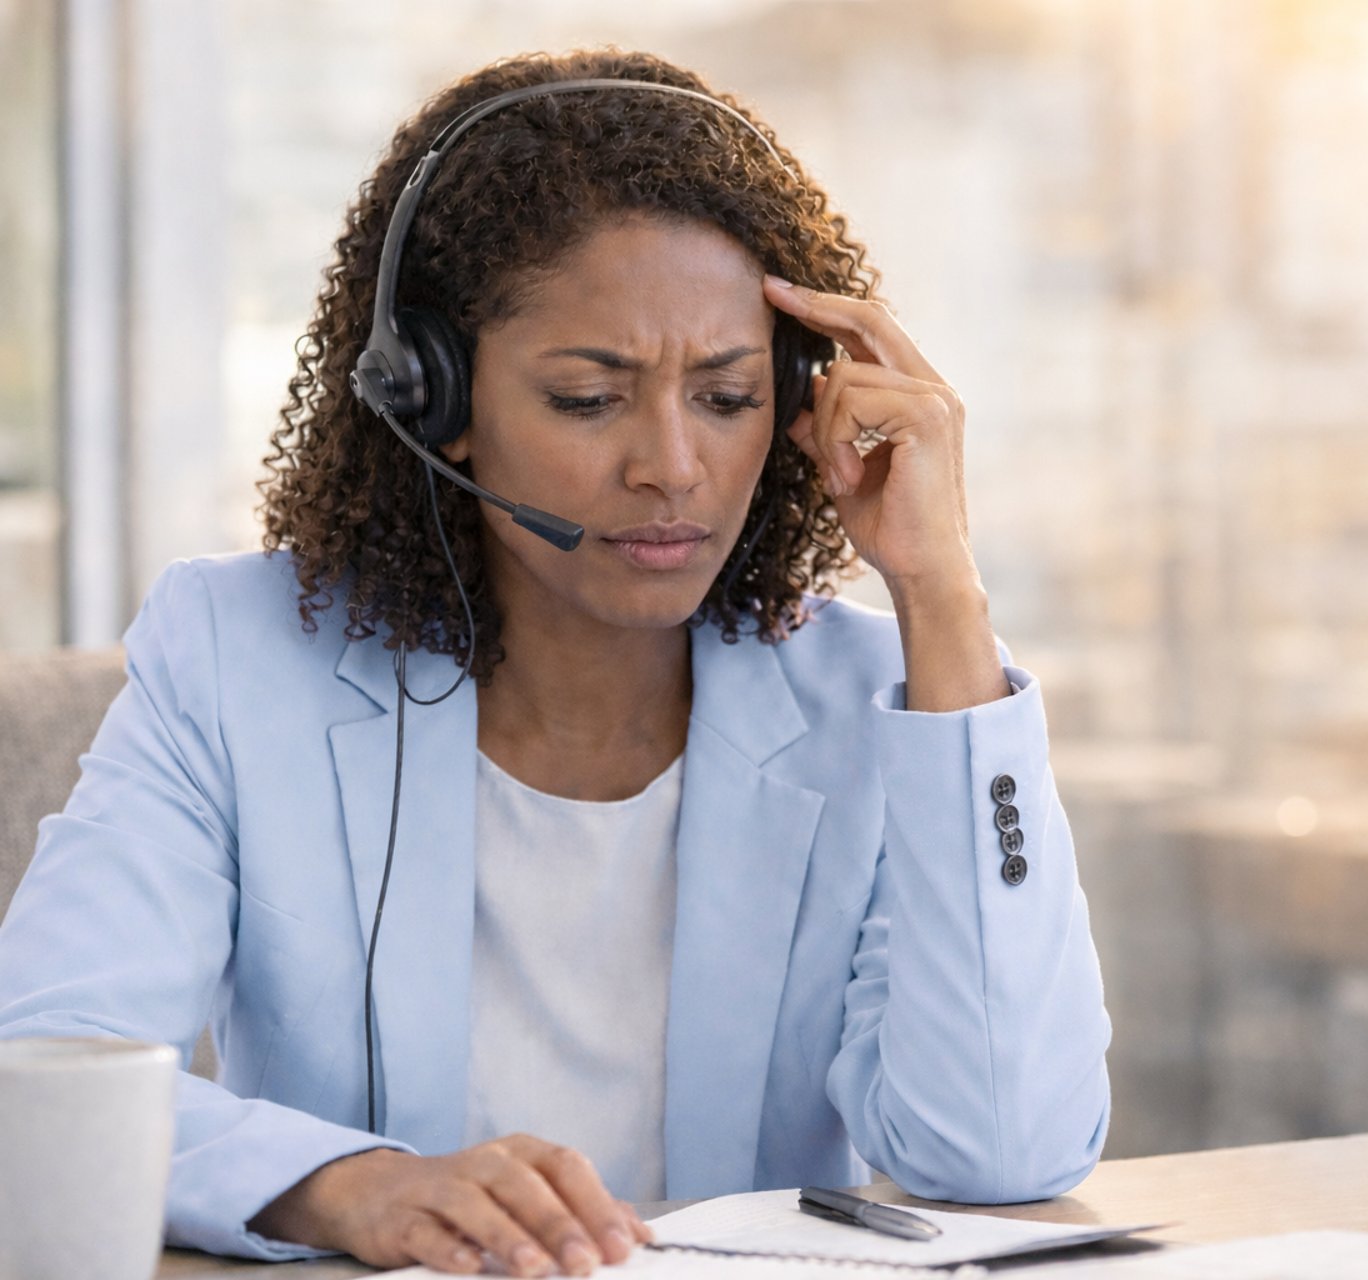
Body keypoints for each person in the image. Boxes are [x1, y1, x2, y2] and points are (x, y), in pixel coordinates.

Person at [0, 48, 1110, 1278]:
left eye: (730, 396)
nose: (673, 466)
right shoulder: (234, 656)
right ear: (437, 400)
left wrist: (940, 591)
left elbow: (1004, 1148)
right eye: (591, 398)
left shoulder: (878, 697)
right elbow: (43, 1076)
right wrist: (346, 1187)